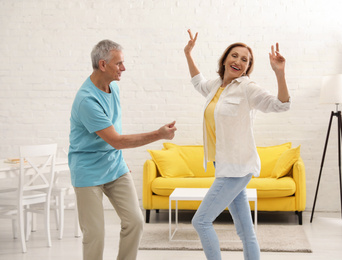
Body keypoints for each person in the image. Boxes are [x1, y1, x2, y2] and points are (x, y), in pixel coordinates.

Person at [184, 29, 290, 260]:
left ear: (247, 67)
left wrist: (280, 74)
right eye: (235, 56)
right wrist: (188, 54)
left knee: (200, 221)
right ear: (224, 59)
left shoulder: (247, 88)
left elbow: (281, 105)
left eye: (245, 60)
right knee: (245, 231)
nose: (239, 61)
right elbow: (198, 82)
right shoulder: (215, 86)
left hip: (237, 168)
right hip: (224, 166)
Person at [68, 39, 177, 260]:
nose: (124, 68)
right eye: (119, 64)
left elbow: (114, 131)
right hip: (88, 171)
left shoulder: (114, 87)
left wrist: (120, 158)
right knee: (95, 233)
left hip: (114, 165)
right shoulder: (86, 100)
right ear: (102, 65)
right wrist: (159, 134)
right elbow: (116, 140)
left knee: (135, 222)